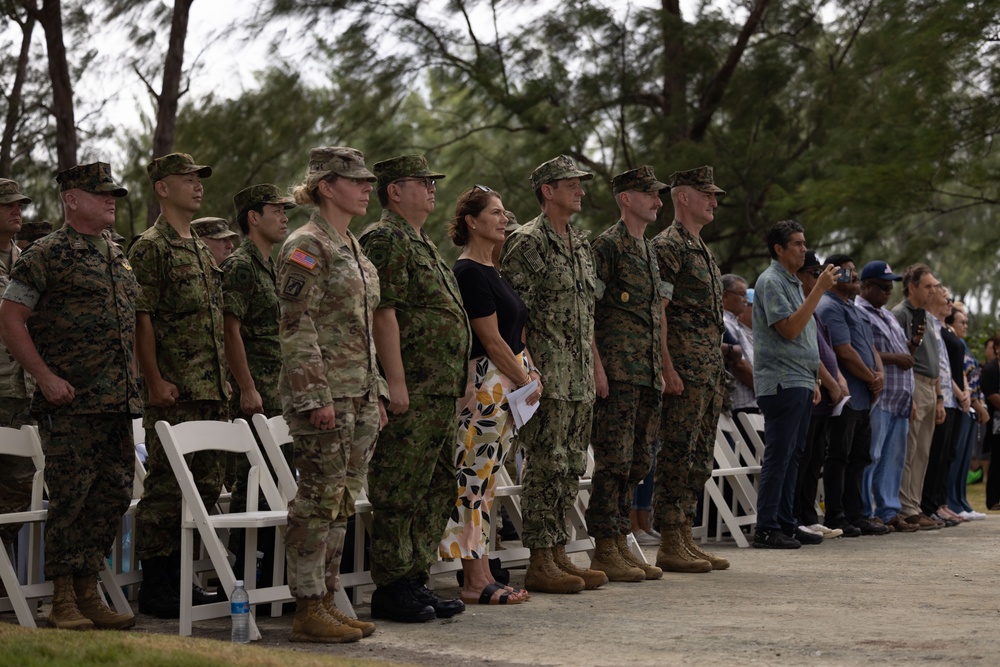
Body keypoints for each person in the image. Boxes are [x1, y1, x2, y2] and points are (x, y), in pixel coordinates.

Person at [0, 162, 139, 630]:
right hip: (70, 401)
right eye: (100, 194)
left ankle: (87, 588)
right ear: (71, 200)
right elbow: (11, 318)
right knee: (71, 497)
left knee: (114, 494)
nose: (110, 201)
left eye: (113, 194)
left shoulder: (116, 255)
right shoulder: (46, 254)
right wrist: (43, 376)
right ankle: (61, 597)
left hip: (116, 401)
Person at [276, 147, 387, 642]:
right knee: (317, 499)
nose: (367, 187)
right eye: (356, 180)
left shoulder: (352, 246)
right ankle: (306, 605)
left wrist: (377, 393)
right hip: (324, 396)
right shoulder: (306, 246)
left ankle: (326, 596)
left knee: (343, 500)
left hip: (359, 394)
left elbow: (362, 328)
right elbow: (296, 328)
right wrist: (314, 396)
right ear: (326, 185)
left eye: (368, 180)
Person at [359, 155, 471, 622]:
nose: (431, 189)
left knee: (438, 484)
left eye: (431, 182)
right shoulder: (385, 239)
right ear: (394, 192)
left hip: (440, 390)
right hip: (415, 388)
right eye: (422, 182)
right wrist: (396, 384)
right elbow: (384, 313)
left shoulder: (420, 242)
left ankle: (413, 577)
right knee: (399, 486)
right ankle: (391, 584)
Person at [499, 155, 605, 594]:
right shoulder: (526, 242)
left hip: (577, 375)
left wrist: (596, 368)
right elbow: (514, 315)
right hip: (545, 376)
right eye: (571, 183)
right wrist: (526, 371)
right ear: (547, 190)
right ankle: (540, 558)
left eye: (581, 183)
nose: (580, 189)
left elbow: (588, 315)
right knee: (546, 465)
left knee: (572, 466)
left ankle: (559, 551)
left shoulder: (579, 243)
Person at [129, 153, 228, 617]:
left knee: (206, 486)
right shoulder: (151, 247)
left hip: (212, 389)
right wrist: (153, 380)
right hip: (175, 389)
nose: (196, 185)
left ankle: (182, 578)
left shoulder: (201, 249)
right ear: (162, 188)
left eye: (199, 179)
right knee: (168, 489)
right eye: (186, 179)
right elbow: (142, 321)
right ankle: (158, 585)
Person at [437, 185, 535, 604]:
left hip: (508, 386)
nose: (503, 217)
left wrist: (533, 372)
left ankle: (484, 569)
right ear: (471, 222)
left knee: (488, 483)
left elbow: (516, 335)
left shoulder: (493, 269)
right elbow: (492, 341)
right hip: (486, 388)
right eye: (494, 212)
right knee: (472, 483)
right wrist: (527, 380)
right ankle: (474, 580)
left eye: (504, 211)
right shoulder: (469, 273)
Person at [586, 166, 666, 582]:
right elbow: (589, 313)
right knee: (613, 462)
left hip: (646, 373)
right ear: (626, 199)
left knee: (636, 463)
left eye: (658, 193)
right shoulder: (607, 246)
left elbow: (656, 315)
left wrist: (663, 368)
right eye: (649, 193)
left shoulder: (649, 250)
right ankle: (604, 547)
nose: (658, 200)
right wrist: (598, 368)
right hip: (616, 374)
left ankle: (621, 540)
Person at [650, 166, 729, 571]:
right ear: (683, 197)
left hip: (708, 371)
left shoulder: (701, 248)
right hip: (683, 368)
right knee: (676, 454)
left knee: (699, 457)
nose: (714, 201)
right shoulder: (669, 246)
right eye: (706, 194)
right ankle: (668, 540)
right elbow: (659, 313)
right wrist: (667, 367)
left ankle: (685, 533)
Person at [222, 184, 295, 586]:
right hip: (258, 394)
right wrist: (246, 387)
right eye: (276, 210)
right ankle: (242, 571)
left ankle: (267, 570)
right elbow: (229, 331)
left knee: (277, 482)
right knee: (253, 483)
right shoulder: (240, 266)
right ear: (253, 216)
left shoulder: (273, 264)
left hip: (280, 391)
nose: (284, 216)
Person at [751, 221, 839, 549]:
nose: (804, 249)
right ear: (779, 249)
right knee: (780, 454)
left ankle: (785, 522)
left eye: (805, 243)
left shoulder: (791, 282)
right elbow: (788, 329)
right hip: (781, 380)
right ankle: (767, 526)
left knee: (795, 455)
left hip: (799, 379)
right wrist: (818, 291)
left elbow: (803, 334)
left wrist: (814, 377)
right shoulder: (772, 280)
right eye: (798, 244)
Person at [815, 254, 887, 537]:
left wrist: (878, 376)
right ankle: (837, 514)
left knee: (860, 457)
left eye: (855, 271)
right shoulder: (830, 307)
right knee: (839, 456)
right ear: (832, 275)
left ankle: (857, 513)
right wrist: (872, 379)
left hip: (865, 395)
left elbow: (871, 349)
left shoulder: (854, 308)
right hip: (847, 396)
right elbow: (843, 351)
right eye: (847, 272)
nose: (854, 276)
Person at [855, 261, 917, 533]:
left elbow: (903, 353)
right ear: (865, 286)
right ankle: (866, 511)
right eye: (882, 286)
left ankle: (889, 511)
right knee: (872, 455)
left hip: (900, 400)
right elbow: (866, 352)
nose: (888, 291)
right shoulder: (861, 312)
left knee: (893, 459)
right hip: (880, 397)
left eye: (890, 286)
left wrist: (911, 347)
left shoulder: (888, 315)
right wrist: (896, 358)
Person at [791, 250, 845, 541]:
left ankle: (809, 516)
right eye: (815, 274)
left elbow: (828, 349)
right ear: (800, 275)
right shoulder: (801, 305)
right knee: (801, 458)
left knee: (814, 461)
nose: (820, 279)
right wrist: (829, 381)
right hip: (812, 393)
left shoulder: (815, 306)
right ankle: (796, 517)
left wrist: (839, 379)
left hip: (826, 398)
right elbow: (810, 352)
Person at [891, 264, 945, 530]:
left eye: (934, 286)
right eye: (927, 285)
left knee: (922, 451)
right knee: (909, 450)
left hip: (930, 385)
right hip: (913, 382)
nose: (933, 290)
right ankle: (904, 508)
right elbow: (901, 355)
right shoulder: (901, 314)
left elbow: (934, 359)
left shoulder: (926, 316)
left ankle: (915, 504)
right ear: (911, 287)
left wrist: (938, 397)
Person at [0, 179, 35, 553]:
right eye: (7, 204)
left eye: (19, 204)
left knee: (21, 486)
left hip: (21, 392)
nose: (16, 210)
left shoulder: (27, 262)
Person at [944, 305, 988, 520]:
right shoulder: (953, 341)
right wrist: (973, 402)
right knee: (955, 456)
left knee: (962, 457)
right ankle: (952, 500)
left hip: (968, 403)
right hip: (960, 402)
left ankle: (960, 500)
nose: (966, 325)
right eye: (962, 321)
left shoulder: (963, 344)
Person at [721, 273, 757, 418]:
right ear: (724, 296)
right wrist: (762, 391)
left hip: (752, 403)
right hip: (742, 404)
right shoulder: (724, 321)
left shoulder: (736, 323)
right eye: (742, 295)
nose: (745, 300)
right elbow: (739, 365)